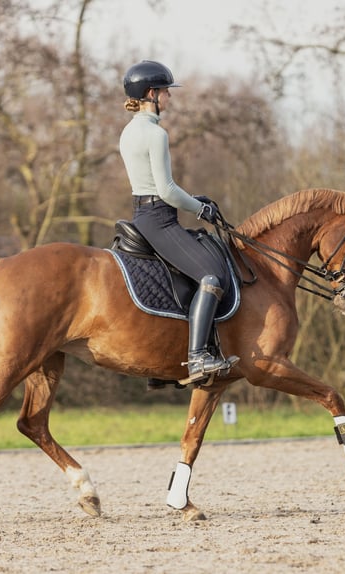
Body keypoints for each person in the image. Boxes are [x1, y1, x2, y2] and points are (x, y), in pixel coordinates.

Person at [119, 60, 239, 385]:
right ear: (150, 94)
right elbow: (166, 190)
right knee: (212, 277)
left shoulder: (129, 131)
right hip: (159, 218)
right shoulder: (155, 133)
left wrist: (194, 200)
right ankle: (198, 357)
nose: (169, 98)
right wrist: (201, 211)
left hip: (143, 214)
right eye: (166, 92)